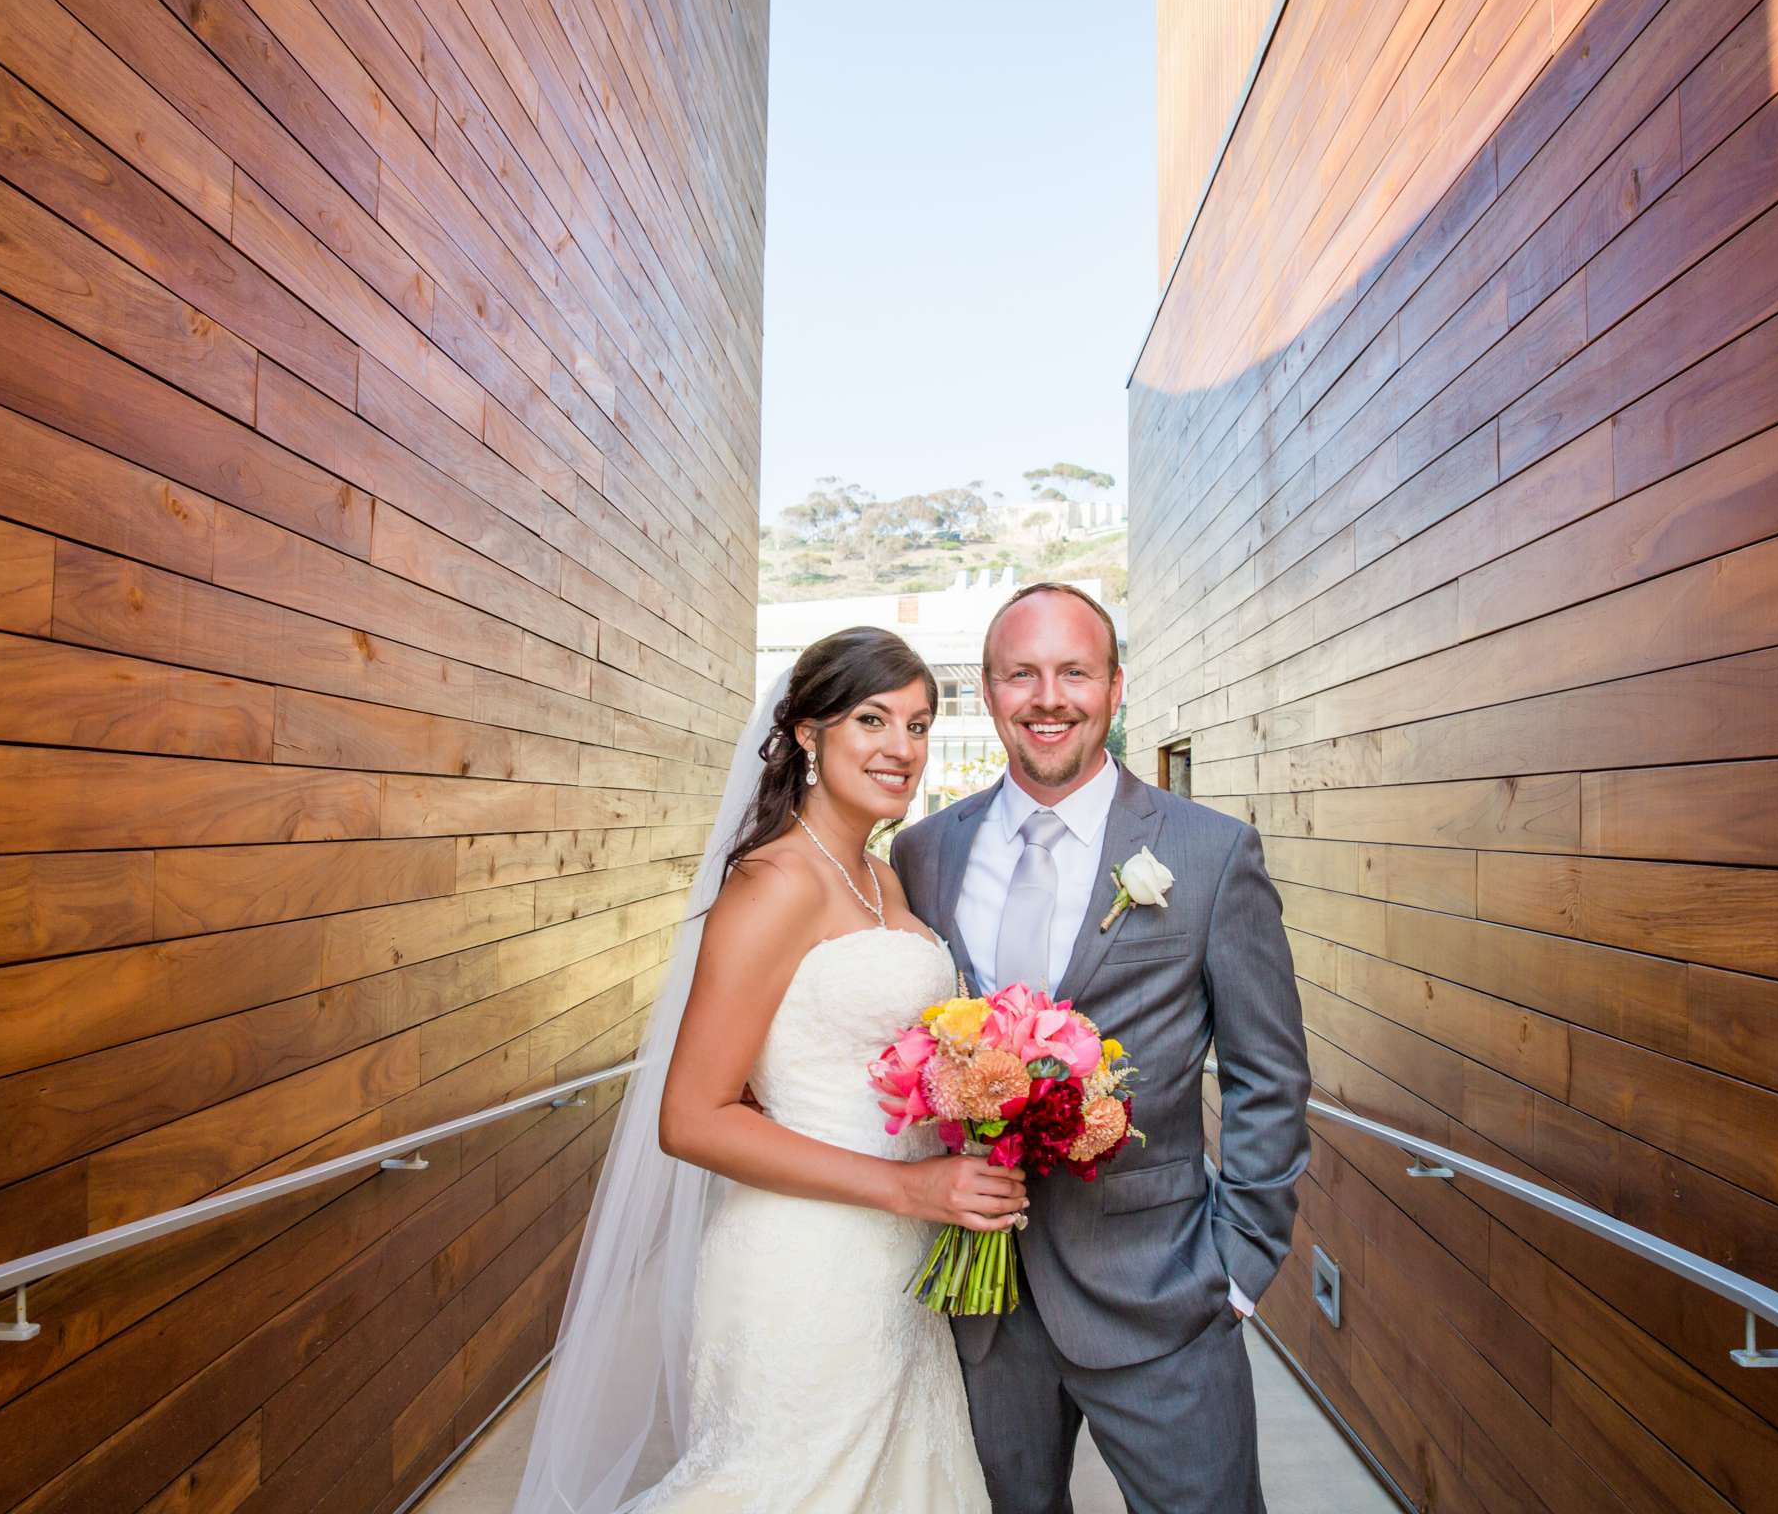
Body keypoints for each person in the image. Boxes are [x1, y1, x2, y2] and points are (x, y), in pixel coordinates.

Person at [518, 626, 1002, 1513]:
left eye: (921, 724)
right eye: (872, 718)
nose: (903, 747)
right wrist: (910, 1191)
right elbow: (692, 1117)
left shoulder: (883, 878)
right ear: (809, 735)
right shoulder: (775, 881)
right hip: (803, 1263)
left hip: (897, 1267)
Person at [891, 581, 1312, 1514]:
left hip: (1165, 1294)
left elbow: (1268, 1075)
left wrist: (1238, 1270)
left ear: (1116, 687)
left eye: (1074, 671)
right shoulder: (923, 855)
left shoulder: (1210, 854)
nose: (1049, 698)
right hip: (982, 1304)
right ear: (989, 694)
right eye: (1021, 674)